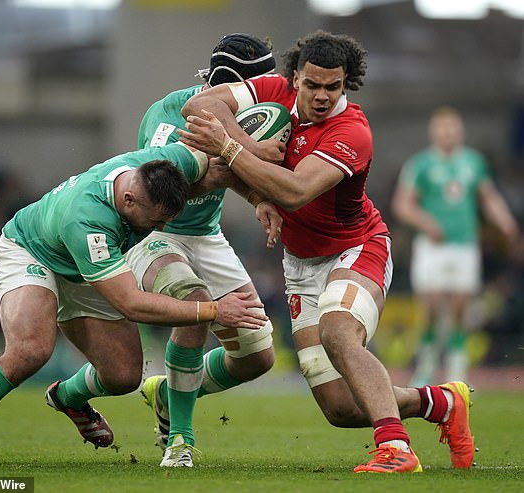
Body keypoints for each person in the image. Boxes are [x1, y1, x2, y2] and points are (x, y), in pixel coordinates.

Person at [178, 30, 475, 472]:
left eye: (332, 87)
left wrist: (229, 145)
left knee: (340, 333)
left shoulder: (352, 130)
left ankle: (395, 448)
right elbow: (198, 106)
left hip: (356, 250)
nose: (320, 96)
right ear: (294, 78)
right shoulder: (273, 89)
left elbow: (296, 192)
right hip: (300, 264)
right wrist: (253, 156)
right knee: (339, 406)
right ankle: (441, 402)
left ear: (345, 85)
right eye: (312, 84)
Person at [0, 143, 267, 466]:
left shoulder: (167, 164)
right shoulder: (89, 220)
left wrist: (260, 198)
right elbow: (131, 304)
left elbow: (221, 164)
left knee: (124, 377)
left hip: (87, 267)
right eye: (156, 221)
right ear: (128, 201)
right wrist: (214, 310)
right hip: (32, 253)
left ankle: (67, 398)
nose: (159, 227)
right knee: (30, 351)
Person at [131, 33, 281, 467]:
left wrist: (258, 199)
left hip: (207, 235)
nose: (262, 92)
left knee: (257, 357)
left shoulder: (243, 119)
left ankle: (168, 391)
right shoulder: (168, 113)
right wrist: (245, 154)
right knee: (194, 303)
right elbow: (161, 189)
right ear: (232, 81)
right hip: (156, 233)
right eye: (257, 82)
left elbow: (234, 167)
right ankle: (180, 438)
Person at [392, 106, 519, 387]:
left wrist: (506, 222)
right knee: (432, 307)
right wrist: (426, 223)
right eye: (443, 128)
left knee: (461, 309)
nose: (448, 133)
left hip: (464, 245)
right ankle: (425, 367)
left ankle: (457, 371)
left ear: (460, 131)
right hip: (432, 247)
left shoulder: (473, 163)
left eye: (453, 128)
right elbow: (403, 205)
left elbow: (488, 197)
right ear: (434, 132)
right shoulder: (421, 164)